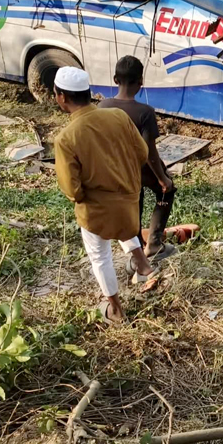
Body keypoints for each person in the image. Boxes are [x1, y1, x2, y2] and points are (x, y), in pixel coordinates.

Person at [53, 67, 154, 324]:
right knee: (118, 223)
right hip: (129, 202)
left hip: (97, 212)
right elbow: (142, 153)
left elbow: (72, 190)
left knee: (100, 256)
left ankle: (116, 310)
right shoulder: (118, 116)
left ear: (62, 97)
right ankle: (143, 264)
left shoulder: (66, 138)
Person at [98, 55, 176, 260]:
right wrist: (162, 178)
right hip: (138, 169)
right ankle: (154, 243)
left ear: (115, 79)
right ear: (141, 81)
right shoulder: (145, 112)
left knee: (135, 201)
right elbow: (149, 151)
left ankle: (137, 249)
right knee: (166, 192)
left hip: (114, 170)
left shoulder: (102, 107)